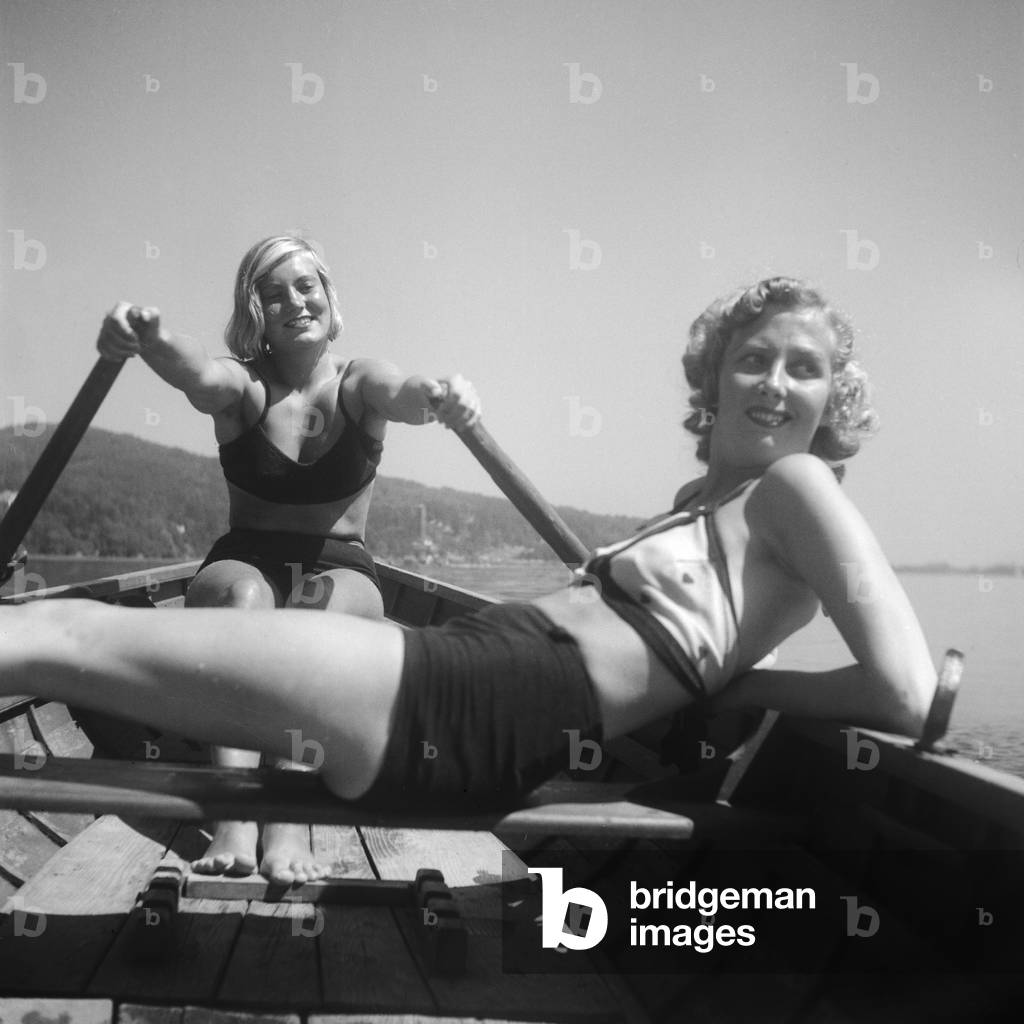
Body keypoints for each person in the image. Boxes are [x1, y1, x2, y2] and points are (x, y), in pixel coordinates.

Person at [4, 277, 937, 822]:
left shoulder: (797, 487)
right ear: (717, 376)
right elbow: (729, 641)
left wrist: (745, 689)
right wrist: (733, 681)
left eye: (803, 367)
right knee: (67, 637)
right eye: (754, 358)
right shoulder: (711, 508)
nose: (774, 384)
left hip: (482, 700)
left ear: (833, 399)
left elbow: (906, 690)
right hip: (481, 676)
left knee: (69, 636)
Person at [94, 235, 480, 883]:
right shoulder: (243, 385)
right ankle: (235, 810)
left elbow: (404, 391)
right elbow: (198, 373)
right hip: (245, 559)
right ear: (256, 314)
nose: (294, 301)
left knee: (315, 615)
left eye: (306, 286)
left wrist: (440, 394)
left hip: (341, 568)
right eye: (273, 293)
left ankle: (292, 810)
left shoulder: (359, 381)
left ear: (329, 298)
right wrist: (148, 338)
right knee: (242, 605)